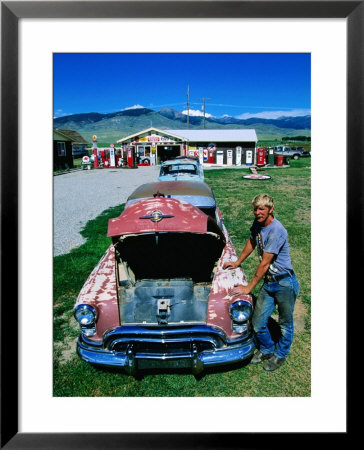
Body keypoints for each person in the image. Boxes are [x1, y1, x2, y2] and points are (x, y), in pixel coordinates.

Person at [223, 194, 299, 371]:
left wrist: (249, 287)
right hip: (269, 282)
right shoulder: (258, 224)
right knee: (257, 323)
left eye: (262, 209)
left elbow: (264, 264)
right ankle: (266, 349)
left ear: (270, 209)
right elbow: (252, 241)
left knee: (285, 324)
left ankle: (280, 354)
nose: (257, 212)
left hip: (284, 283)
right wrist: (237, 262)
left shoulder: (276, 230)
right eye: (255, 209)